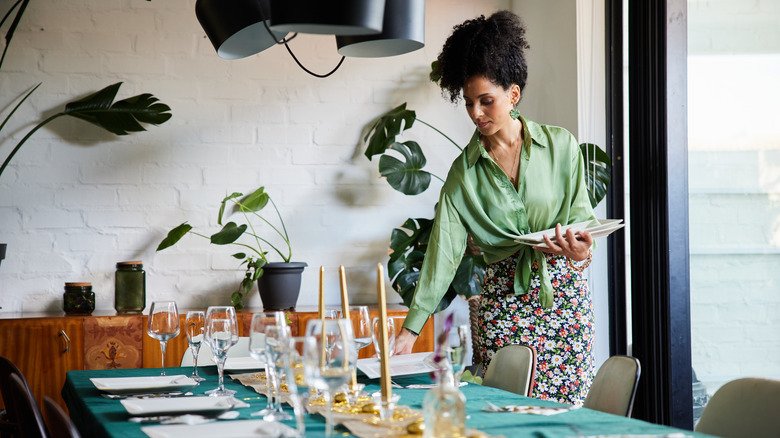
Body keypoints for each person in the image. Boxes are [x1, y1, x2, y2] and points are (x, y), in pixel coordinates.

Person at [391, 10, 597, 405]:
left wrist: (581, 250)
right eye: (469, 103)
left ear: (513, 94)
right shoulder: (462, 176)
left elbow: (583, 224)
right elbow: (442, 255)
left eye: (486, 101)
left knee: (567, 422)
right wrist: (410, 330)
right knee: (506, 417)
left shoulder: (562, 146)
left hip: (565, 304)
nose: (476, 113)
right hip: (501, 309)